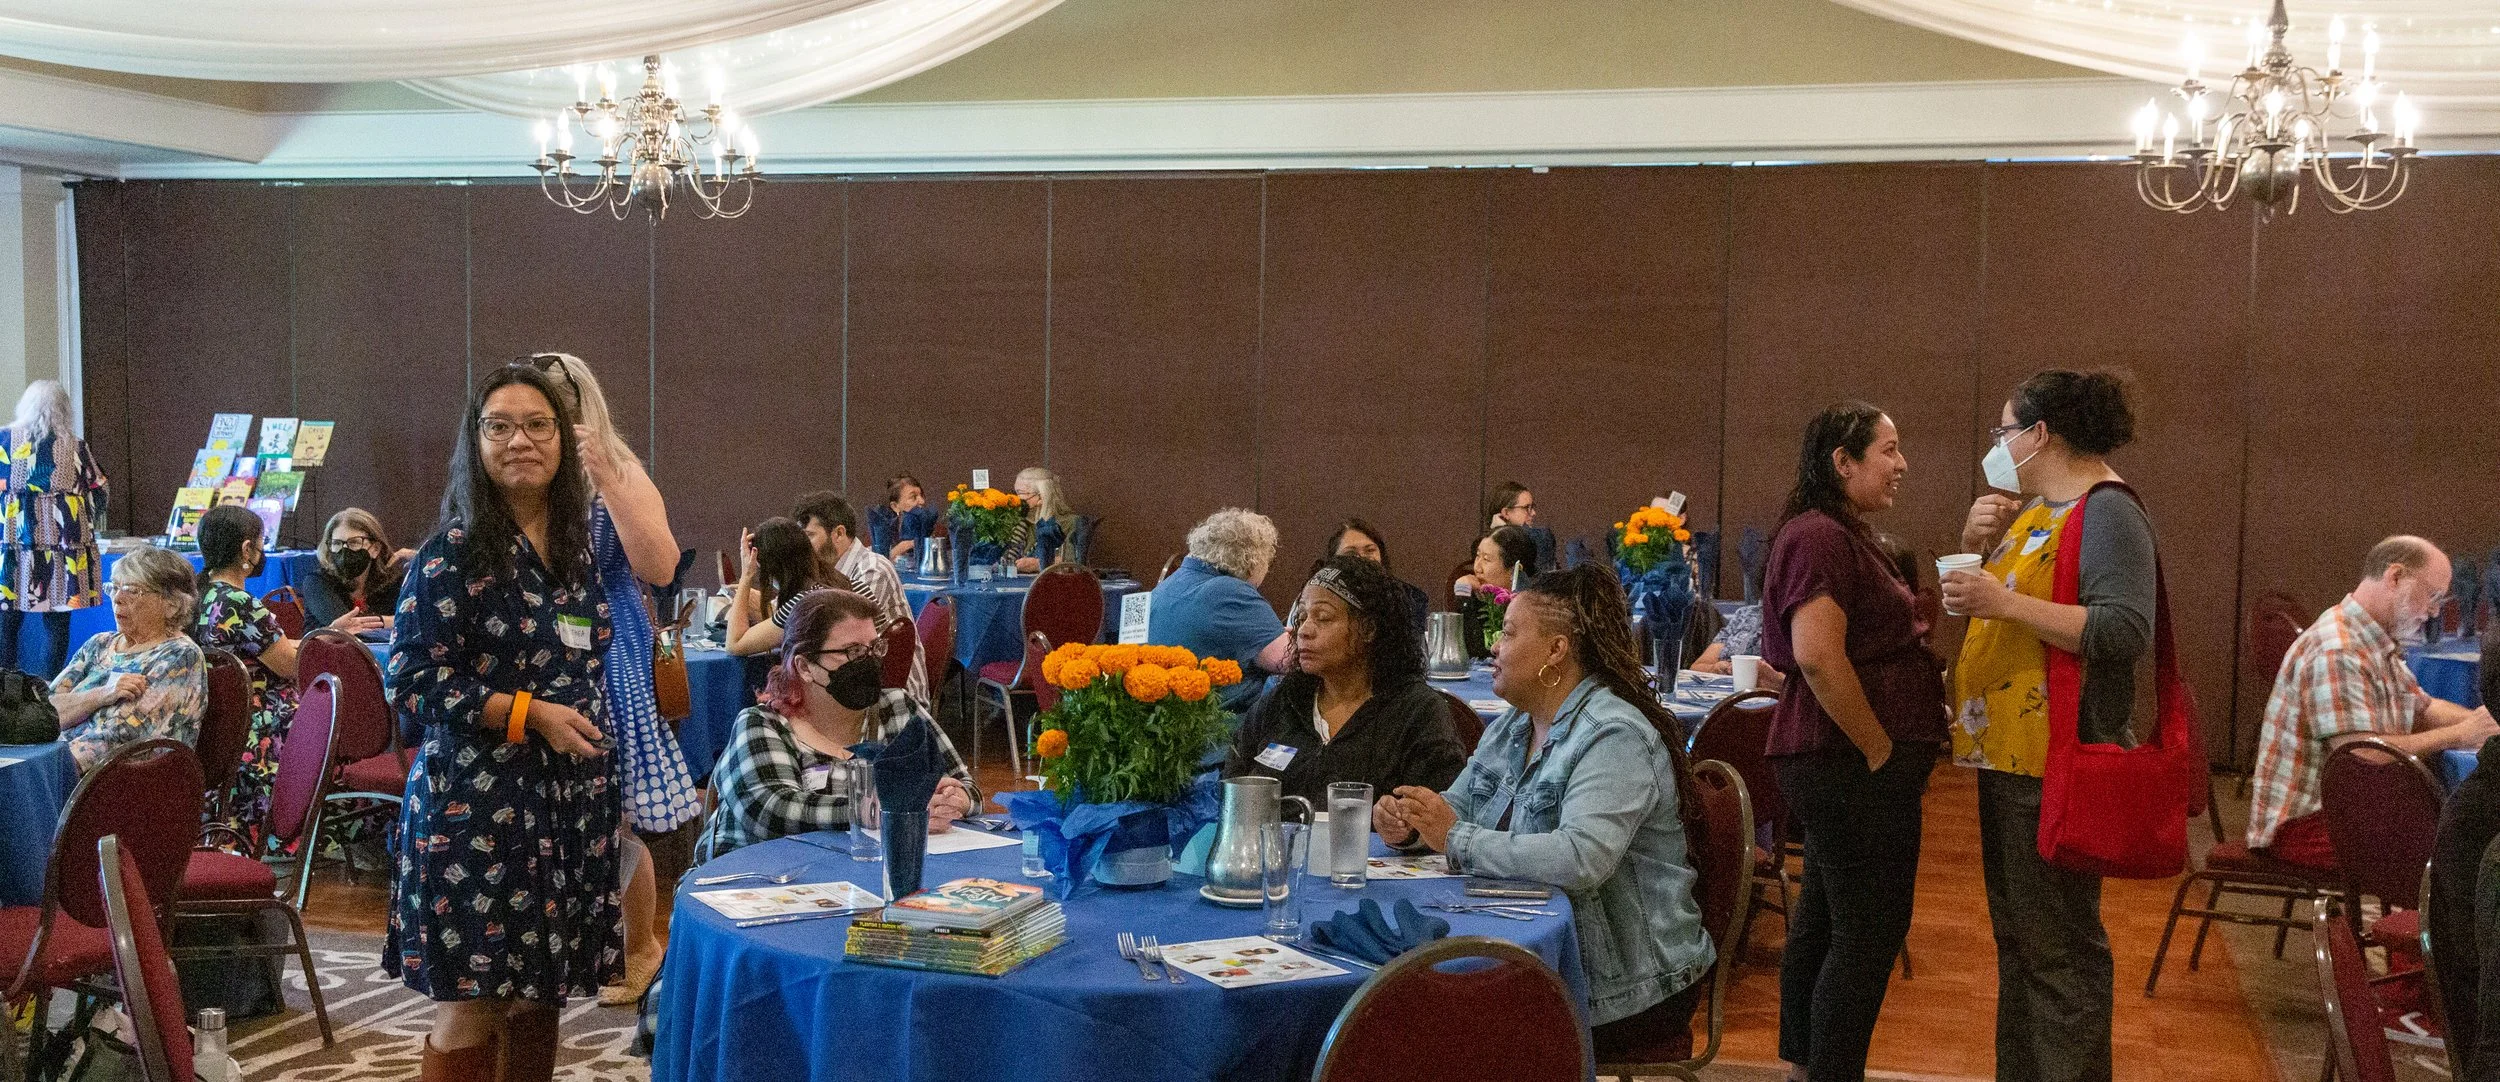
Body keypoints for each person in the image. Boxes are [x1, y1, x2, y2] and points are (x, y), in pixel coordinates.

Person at [386, 363, 621, 1081]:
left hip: (568, 804)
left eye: (538, 425)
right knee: (477, 997)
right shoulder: (450, 554)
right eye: (500, 427)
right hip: (477, 804)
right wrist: (530, 715)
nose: (520, 440)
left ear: (563, 438)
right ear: (477, 444)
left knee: (540, 991)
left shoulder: (577, 555)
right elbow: (412, 679)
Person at [1373, 564, 1713, 1058]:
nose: (1493, 645)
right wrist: (1410, 822)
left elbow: (1582, 858)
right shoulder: (1517, 722)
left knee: (1435, 1026)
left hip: (1626, 987)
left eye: (1509, 632)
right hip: (1539, 952)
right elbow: (1460, 806)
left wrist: (1455, 838)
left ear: (1557, 649)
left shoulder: (1613, 735)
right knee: (1416, 1007)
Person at [1940, 369, 2161, 1082]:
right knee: (2023, 946)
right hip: (2007, 757)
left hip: (2055, 758)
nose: (1996, 446)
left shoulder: (2106, 510)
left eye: (2005, 431)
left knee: (2061, 954)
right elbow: (1994, 605)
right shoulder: (2035, 505)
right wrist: (1974, 547)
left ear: (2040, 434)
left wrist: (2002, 601)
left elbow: (2124, 629)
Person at [1758, 401, 1946, 1082]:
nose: (1902, 465)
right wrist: (1879, 749)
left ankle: (1806, 1068)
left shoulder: (1839, 531)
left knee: (1829, 920)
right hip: (1846, 762)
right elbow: (1816, 657)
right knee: (1868, 935)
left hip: (1841, 761)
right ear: (1843, 461)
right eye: (1889, 450)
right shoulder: (1818, 537)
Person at [524, 351, 697, 1009]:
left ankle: (641, 948)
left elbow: (661, 566)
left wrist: (607, 478)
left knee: (616, 815)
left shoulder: (618, 472)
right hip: (536, 656)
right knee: (547, 811)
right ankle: (570, 944)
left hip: (609, 654)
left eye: (549, 415)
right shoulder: (521, 482)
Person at [2248, 536, 2497, 870]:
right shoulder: (2339, 649)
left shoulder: (2372, 638)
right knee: (2461, 852)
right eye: (2434, 596)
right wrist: (2461, 734)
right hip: (2307, 826)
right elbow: (2362, 754)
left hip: (2343, 811)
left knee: (2462, 834)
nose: (2436, 611)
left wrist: (2486, 722)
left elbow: (2421, 708)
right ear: (2394, 577)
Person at [699, 590, 979, 862]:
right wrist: (884, 810)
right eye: (852, 651)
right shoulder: (763, 724)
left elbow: (966, 785)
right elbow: (772, 811)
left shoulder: (896, 707)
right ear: (805, 667)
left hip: (857, 871)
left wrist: (956, 800)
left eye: (874, 648)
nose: (868, 661)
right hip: (755, 880)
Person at [193, 505, 385, 850]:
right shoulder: (240, 602)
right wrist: (327, 642)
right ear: (246, 550)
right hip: (266, 722)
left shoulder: (205, 596)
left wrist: (325, 632)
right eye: (261, 544)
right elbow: (288, 665)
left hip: (229, 721)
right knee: (350, 715)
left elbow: (262, 648)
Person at [1225, 556, 1466, 805]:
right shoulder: (1283, 701)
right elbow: (1233, 791)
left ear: (1369, 629)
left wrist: (1402, 830)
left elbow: (1437, 818)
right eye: (1302, 617)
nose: (1304, 631)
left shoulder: (1417, 712)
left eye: (1324, 617)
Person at [51, 544, 206, 771]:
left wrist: (43, 767)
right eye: (114, 588)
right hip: (57, 770)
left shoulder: (179, 656)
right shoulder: (99, 644)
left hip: (118, 786)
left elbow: (123, 735)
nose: (117, 599)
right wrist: (101, 695)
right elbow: (44, 712)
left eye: (133, 590)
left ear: (171, 605)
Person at [0, 380, 107, 675]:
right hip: (63, 547)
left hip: (14, 545)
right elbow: (99, 487)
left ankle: (6, 692)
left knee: (8, 621)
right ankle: (51, 689)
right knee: (58, 623)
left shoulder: (4, 441)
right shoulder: (75, 446)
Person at [1150, 508, 1293, 713]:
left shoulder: (1166, 586)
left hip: (1161, 725)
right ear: (1253, 561)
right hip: (1216, 731)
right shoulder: (1228, 591)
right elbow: (1291, 659)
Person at [793, 490, 927, 705]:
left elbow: (825, 626)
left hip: (893, 696)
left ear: (838, 533)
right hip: (855, 685)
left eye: (809, 536)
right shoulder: (828, 571)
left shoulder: (873, 570)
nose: (802, 546)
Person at [725, 517, 841, 657]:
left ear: (770, 568)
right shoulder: (851, 585)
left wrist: (747, 574)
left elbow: (735, 645)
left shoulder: (802, 605)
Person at [301, 507, 413, 630]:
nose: (344, 551)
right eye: (337, 543)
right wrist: (392, 621)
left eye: (354, 543)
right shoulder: (317, 581)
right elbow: (348, 627)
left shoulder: (392, 583)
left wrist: (423, 560)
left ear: (375, 549)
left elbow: (425, 620)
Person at [1327, 518, 1431, 640]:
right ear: (1333, 560)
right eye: (1351, 553)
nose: (1362, 558)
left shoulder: (1410, 597)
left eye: (1370, 550)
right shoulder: (1318, 597)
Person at [1456, 526, 1539, 660]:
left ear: (1514, 570)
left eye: (1486, 559)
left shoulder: (1531, 609)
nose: (1477, 568)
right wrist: (1463, 596)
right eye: (1478, 556)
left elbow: (1482, 653)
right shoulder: (1478, 599)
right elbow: (1465, 652)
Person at [1009, 466, 1082, 572]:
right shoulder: (1017, 523)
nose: (1015, 499)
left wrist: (1039, 564)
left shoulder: (1072, 523)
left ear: (1041, 496)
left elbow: (1075, 562)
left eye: (1020, 493)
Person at [1484, 480, 1557, 573]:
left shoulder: (1536, 541)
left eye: (1532, 507)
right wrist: (1503, 534)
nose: (1534, 513)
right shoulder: (1541, 537)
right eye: (1527, 508)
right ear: (1506, 513)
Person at [865, 474, 937, 565]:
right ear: (895, 506)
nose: (922, 501)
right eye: (913, 497)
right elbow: (875, 564)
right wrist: (903, 547)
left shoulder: (934, 528)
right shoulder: (880, 530)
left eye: (921, 495)